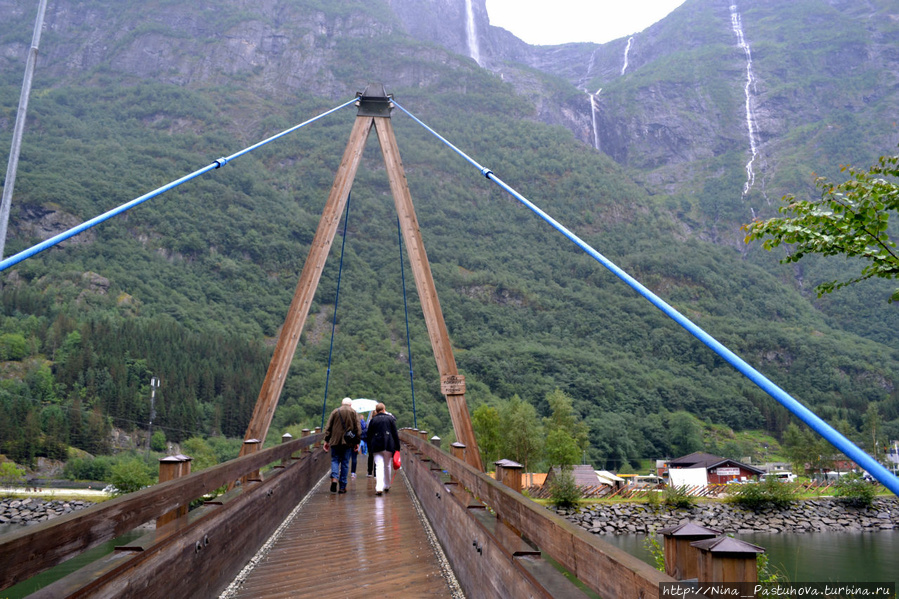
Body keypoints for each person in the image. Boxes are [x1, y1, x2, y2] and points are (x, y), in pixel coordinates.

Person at [323, 397, 362, 494]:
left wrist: (326, 440)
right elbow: (358, 428)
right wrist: (357, 442)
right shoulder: (353, 413)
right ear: (350, 404)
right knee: (345, 463)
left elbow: (328, 427)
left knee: (335, 460)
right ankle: (342, 487)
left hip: (335, 441)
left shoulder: (335, 412)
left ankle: (334, 478)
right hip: (348, 443)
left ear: (342, 403)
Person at [365, 402, 400, 496]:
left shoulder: (373, 420)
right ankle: (387, 485)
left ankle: (379, 487)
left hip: (376, 445)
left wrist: (369, 447)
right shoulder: (390, 419)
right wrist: (397, 447)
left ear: (376, 411)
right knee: (387, 465)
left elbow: (369, 435)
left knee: (379, 466)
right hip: (388, 445)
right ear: (384, 409)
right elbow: (395, 434)